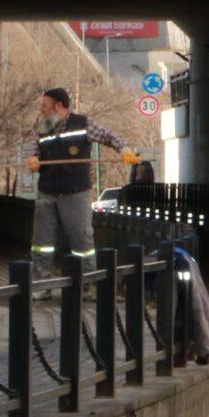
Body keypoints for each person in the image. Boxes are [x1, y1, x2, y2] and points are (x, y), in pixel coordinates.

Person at [27, 88, 138, 279]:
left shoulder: (83, 124)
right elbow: (33, 150)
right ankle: (40, 282)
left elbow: (109, 137)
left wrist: (124, 149)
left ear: (58, 106)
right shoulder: (41, 128)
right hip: (47, 192)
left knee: (81, 240)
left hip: (75, 192)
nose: (41, 109)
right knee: (42, 242)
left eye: (44, 105)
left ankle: (87, 283)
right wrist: (32, 160)